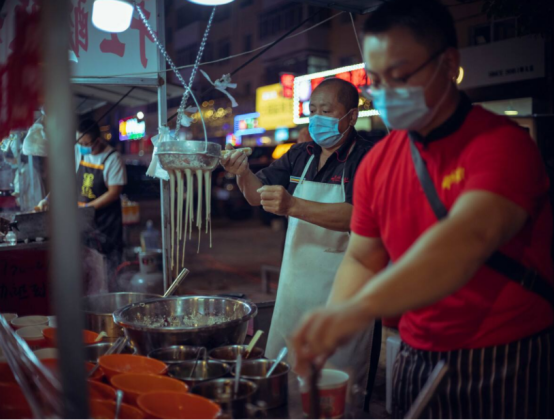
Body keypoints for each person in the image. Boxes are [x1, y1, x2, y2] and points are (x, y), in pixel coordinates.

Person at [291, 1, 553, 418]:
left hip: (507, 353)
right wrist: (333, 319)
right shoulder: (379, 162)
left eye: (400, 75)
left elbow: (465, 242)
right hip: (415, 354)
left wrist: (356, 310)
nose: (387, 91)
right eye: (376, 80)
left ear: (449, 64)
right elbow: (362, 257)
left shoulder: (501, 145)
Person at [221, 78, 377, 406]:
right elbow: (255, 196)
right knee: (288, 382)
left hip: (344, 294)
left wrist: (294, 206)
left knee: (337, 388)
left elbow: (360, 216)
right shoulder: (300, 154)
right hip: (295, 290)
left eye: (327, 110)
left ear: (350, 116)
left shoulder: (366, 157)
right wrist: (242, 173)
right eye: (313, 110)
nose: (318, 117)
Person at [38, 119, 127, 285]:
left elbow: (114, 192)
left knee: (108, 271)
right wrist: (48, 198)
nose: (81, 146)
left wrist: (87, 208)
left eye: (85, 143)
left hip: (106, 224)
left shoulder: (112, 158)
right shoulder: (78, 151)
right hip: (83, 224)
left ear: (97, 141)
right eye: (79, 142)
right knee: (86, 271)